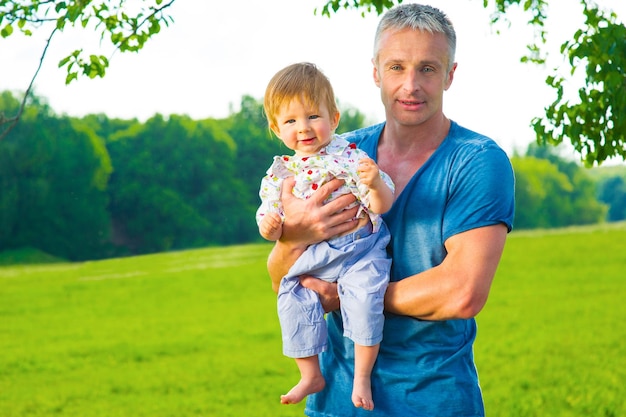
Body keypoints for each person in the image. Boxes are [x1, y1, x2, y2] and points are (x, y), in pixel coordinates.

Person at [266, 4, 515, 417]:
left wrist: (347, 297)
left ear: (450, 75)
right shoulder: (338, 153)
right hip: (335, 401)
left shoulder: (477, 161)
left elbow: (462, 291)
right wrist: (295, 237)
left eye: (428, 69)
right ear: (376, 72)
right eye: (397, 67)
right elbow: (283, 280)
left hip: (430, 400)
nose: (411, 85)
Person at [256, 62, 395, 411]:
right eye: (290, 121)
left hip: (360, 249)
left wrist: (376, 183)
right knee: (291, 295)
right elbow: (268, 214)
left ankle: (362, 375)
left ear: (333, 119)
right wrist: (271, 226)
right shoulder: (280, 173)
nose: (303, 128)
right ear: (276, 128)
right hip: (317, 257)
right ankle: (310, 374)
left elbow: (382, 203)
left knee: (364, 296)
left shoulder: (349, 156)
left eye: (313, 116)